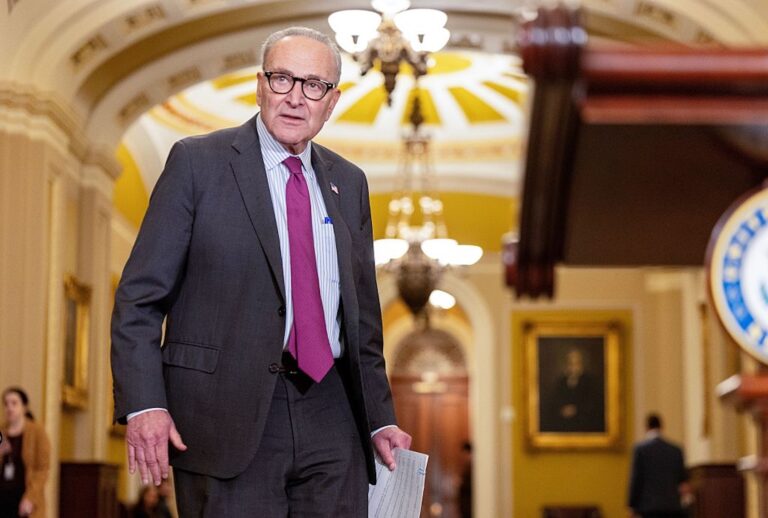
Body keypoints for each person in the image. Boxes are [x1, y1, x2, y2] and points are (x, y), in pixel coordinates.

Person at [111, 26, 411, 517]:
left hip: (332, 410)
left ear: (332, 101)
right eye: (282, 79)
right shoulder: (196, 163)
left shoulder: (349, 183)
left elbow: (362, 322)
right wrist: (145, 404)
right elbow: (139, 300)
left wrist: (379, 420)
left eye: (313, 85)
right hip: (223, 413)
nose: (296, 98)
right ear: (259, 85)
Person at [627, 413, 691, 518]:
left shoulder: (640, 450)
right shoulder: (675, 450)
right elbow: (683, 481)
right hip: (672, 506)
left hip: (649, 507)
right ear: (661, 427)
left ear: (646, 427)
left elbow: (636, 479)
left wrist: (632, 506)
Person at [0, 387, 51, 518]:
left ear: (24, 407)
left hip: (25, 498)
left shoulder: (37, 432)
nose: (9, 408)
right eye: (6, 404)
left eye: (14, 403)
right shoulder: (2, 431)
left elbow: (43, 469)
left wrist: (31, 497)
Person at [542, 347, 604, 432]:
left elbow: (594, 404)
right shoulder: (561, 381)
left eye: (576, 363)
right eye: (570, 363)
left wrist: (576, 410)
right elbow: (553, 402)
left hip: (585, 425)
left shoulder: (590, 381)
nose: (573, 366)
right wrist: (561, 409)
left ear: (582, 364)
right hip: (563, 425)